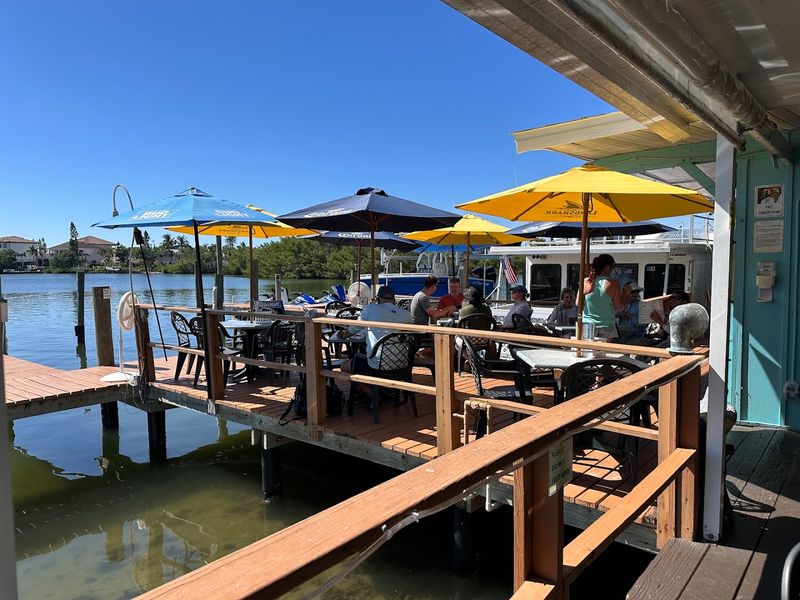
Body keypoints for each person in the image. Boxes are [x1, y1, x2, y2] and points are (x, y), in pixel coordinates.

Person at [340, 285, 412, 373]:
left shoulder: (370, 309)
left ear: (378, 299)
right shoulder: (407, 315)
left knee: (344, 366)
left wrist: (343, 335)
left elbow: (354, 328)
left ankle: (369, 387)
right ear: (394, 300)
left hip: (376, 365)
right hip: (402, 363)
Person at [582, 253, 631, 340]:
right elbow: (619, 307)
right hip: (606, 325)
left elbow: (578, 303)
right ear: (607, 267)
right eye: (612, 267)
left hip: (588, 325)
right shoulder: (613, 284)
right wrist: (625, 293)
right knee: (604, 353)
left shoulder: (586, 281)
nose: (613, 270)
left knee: (588, 352)